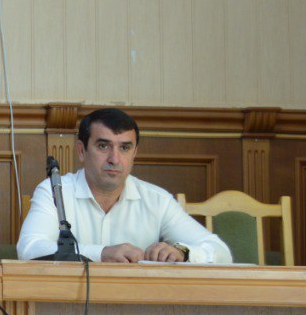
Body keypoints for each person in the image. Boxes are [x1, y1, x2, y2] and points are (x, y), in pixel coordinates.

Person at [17, 107, 231, 263]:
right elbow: (29, 248)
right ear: (81, 151)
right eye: (104, 146)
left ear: (134, 153)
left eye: (125, 148)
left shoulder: (157, 201)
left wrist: (182, 253)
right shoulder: (54, 191)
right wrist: (102, 253)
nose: (115, 159)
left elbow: (221, 251)